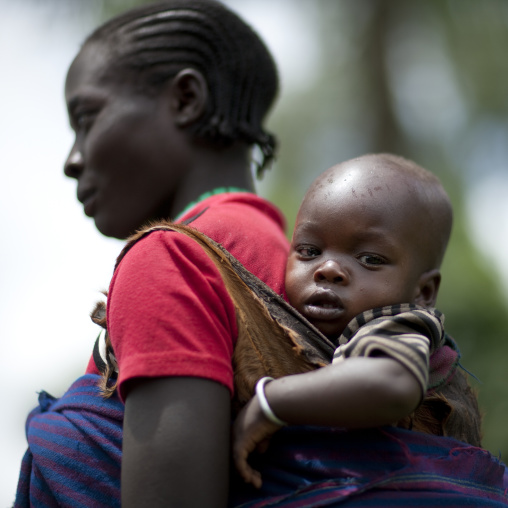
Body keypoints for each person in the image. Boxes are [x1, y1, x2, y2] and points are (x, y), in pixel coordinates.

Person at [14, 1, 289, 507]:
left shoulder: (172, 258)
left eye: (87, 118)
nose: (72, 161)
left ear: (185, 98)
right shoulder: (279, 249)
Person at [226, 154, 508, 506]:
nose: (328, 269)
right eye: (309, 251)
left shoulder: (398, 324)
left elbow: (391, 385)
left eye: (370, 259)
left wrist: (271, 402)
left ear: (423, 293)